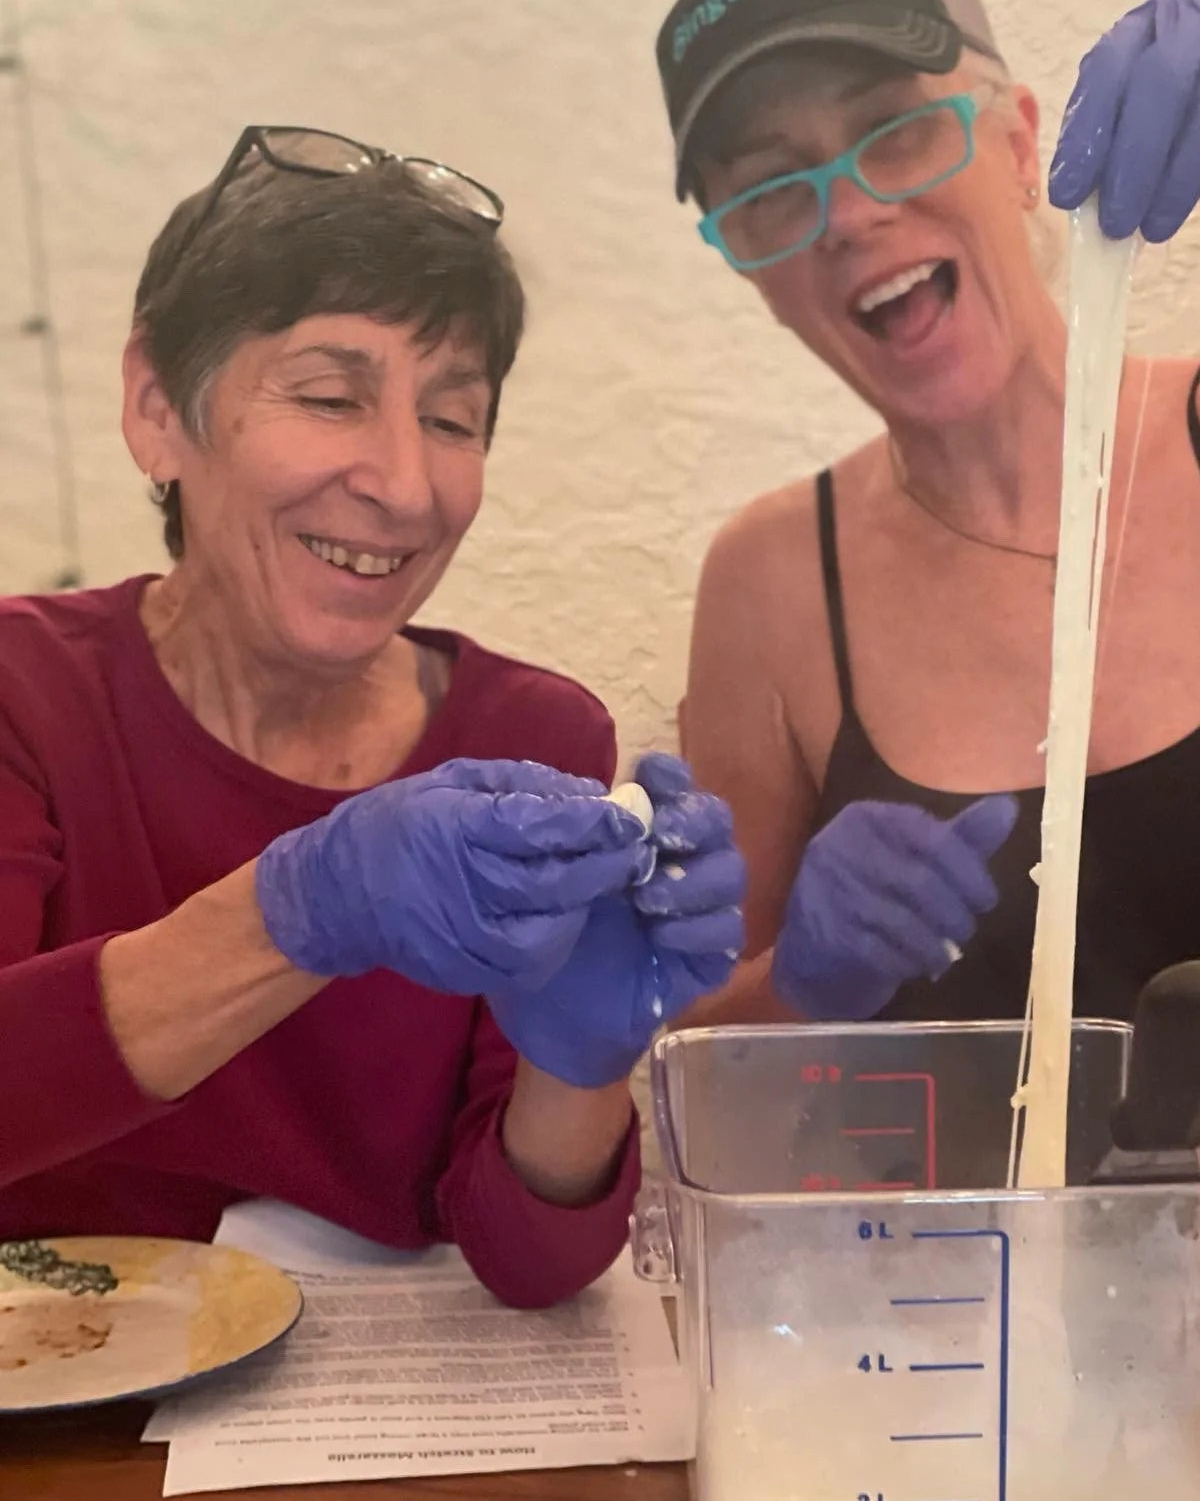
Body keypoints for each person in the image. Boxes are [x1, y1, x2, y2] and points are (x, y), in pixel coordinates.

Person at [654, 0, 1200, 1258]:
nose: (849, 213)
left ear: (1020, 141)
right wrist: (807, 986)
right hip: (939, 1353)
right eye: (774, 188)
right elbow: (705, 1074)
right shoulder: (772, 583)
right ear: (756, 271)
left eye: (895, 127)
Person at [0, 126, 744, 1307]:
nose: (403, 484)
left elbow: (529, 1265)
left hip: (362, 1451)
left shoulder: (533, 740)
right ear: (156, 408)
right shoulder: (25, 695)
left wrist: (581, 1064)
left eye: (453, 419)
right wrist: (295, 912)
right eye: (331, 396)